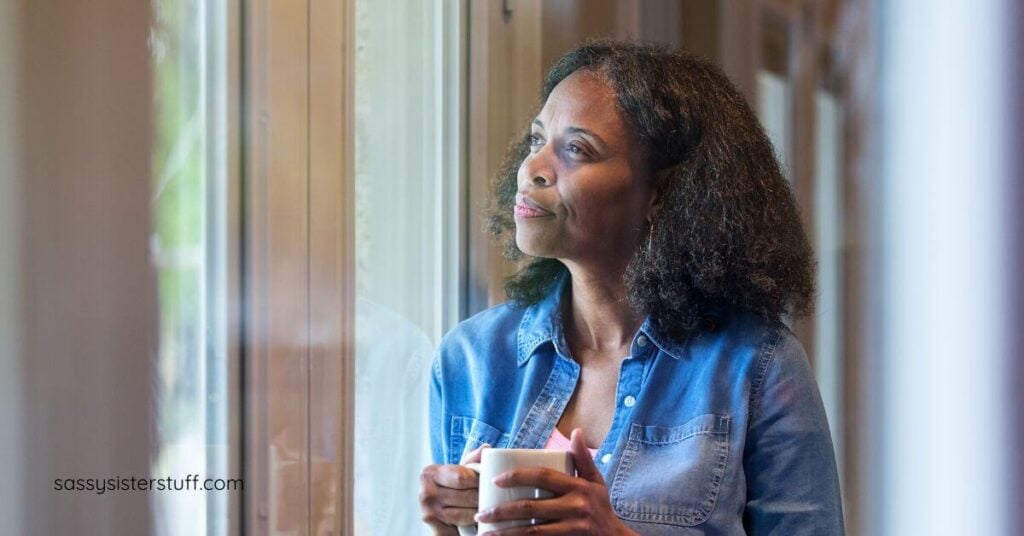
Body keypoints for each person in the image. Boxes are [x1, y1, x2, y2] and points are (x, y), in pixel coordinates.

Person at [418, 40, 844, 535]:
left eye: (576, 149)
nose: (532, 168)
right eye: (537, 140)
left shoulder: (757, 366)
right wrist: (446, 524)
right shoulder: (468, 359)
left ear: (660, 193)